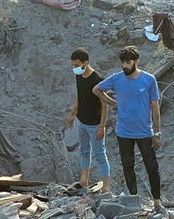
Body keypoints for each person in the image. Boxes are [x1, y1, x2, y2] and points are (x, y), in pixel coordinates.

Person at [93, 46, 162, 209]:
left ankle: (157, 201)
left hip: (144, 132)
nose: (125, 66)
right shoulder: (116, 79)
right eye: (123, 62)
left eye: (128, 62)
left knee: (151, 167)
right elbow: (96, 89)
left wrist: (157, 133)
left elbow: (155, 108)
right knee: (128, 165)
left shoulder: (149, 80)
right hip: (124, 132)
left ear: (136, 62)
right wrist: (112, 102)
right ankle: (133, 198)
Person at [66, 48, 109, 195]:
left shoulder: (98, 80)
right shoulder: (79, 77)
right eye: (73, 65)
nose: (75, 68)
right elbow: (79, 96)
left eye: (77, 65)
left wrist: (102, 127)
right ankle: (84, 180)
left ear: (86, 63)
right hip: (82, 121)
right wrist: (73, 114)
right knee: (84, 151)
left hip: (95, 124)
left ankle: (106, 187)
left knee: (100, 155)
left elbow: (105, 104)